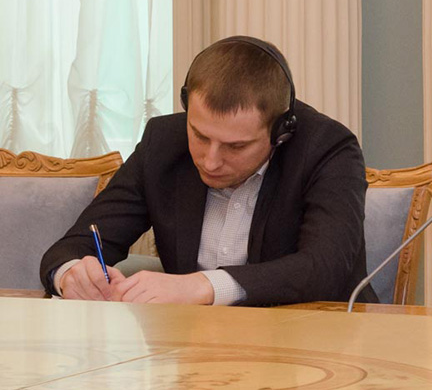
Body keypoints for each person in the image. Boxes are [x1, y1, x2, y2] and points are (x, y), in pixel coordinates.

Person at [40, 36, 377, 306]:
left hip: (315, 343)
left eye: (236, 146)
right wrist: (72, 274)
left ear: (280, 133)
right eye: (200, 136)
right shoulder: (163, 143)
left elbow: (325, 267)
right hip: (192, 349)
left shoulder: (327, 149)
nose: (211, 161)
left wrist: (203, 286)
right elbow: (74, 245)